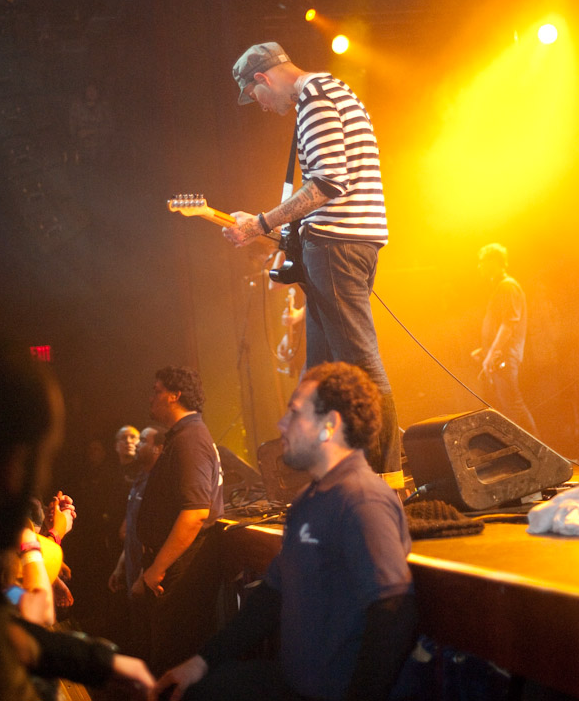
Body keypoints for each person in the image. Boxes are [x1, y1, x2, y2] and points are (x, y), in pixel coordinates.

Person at [151, 361, 416, 701]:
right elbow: (270, 597)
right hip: (290, 685)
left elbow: (394, 611)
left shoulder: (362, 501)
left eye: (294, 413)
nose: (282, 424)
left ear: (329, 426)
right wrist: (201, 663)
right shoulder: (308, 501)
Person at [0, 330, 155, 700]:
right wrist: (54, 539)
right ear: (13, 467)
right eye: (44, 458)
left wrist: (97, 661)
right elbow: (12, 644)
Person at [223, 41, 402, 487]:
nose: (262, 107)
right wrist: (267, 227)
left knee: (360, 364)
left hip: (337, 246)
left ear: (262, 78)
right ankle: (326, 477)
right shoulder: (331, 92)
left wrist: (261, 222)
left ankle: (390, 479)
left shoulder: (316, 100)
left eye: (255, 96)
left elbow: (326, 182)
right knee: (319, 375)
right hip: (342, 242)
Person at [134, 366, 224, 676]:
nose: (152, 397)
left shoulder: (190, 439)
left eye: (157, 391)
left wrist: (157, 569)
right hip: (175, 569)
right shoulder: (184, 436)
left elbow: (195, 512)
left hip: (181, 574)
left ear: (175, 395)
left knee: (174, 663)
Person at [471, 243, 539, 436]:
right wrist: (486, 350)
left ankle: (538, 449)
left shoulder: (508, 286)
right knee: (508, 408)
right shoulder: (501, 287)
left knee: (513, 405)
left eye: (482, 261)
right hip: (500, 356)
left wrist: (491, 353)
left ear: (494, 261)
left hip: (505, 357)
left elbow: (509, 323)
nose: (479, 266)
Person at [108, 426, 165, 654]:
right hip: (132, 570)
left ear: (157, 449)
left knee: (152, 638)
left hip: (146, 576)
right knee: (138, 636)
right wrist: (120, 565)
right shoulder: (140, 478)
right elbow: (132, 530)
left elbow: (157, 534)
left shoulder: (159, 483)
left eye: (141, 440)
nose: (136, 444)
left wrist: (144, 575)